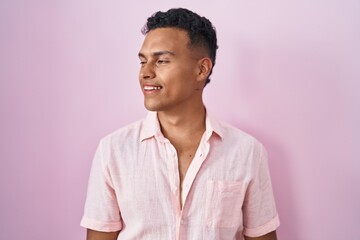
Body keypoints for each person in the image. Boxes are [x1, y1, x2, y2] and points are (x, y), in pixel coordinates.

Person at [80, 8, 280, 240]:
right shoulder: (113, 151)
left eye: (162, 60)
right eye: (143, 61)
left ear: (201, 69)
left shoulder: (247, 152)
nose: (145, 72)